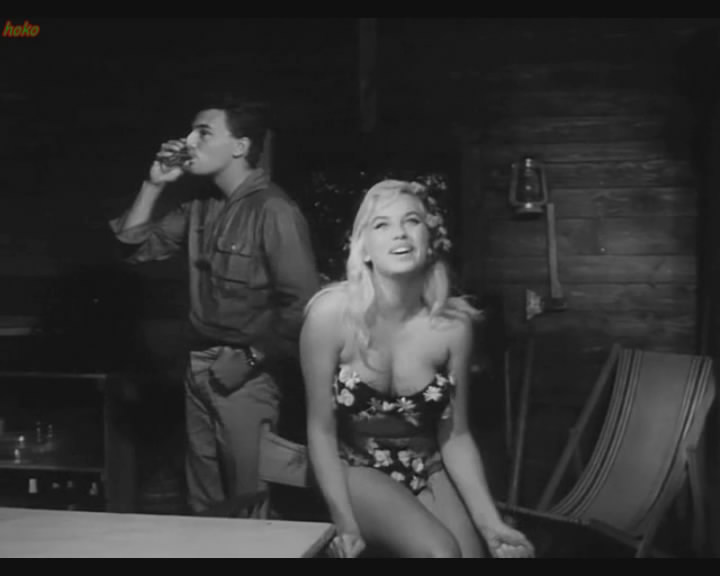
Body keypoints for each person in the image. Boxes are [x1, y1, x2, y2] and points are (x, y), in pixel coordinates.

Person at [300, 179, 534, 558]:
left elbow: (455, 435)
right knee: (440, 553)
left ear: (430, 240)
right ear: (364, 248)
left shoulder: (454, 327)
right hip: (352, 466)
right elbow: (320, 430)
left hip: (425, 464)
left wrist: (491, 524)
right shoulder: (329, 316)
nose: (400, 233)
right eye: (382, 224)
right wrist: (344, 522)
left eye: (411, 221)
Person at [109, 98, 320, 515]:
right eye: (191, 131)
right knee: (205, 505)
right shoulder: (200, 206)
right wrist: (154, 184)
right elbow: (135, 247)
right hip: (198, 366)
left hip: (246, 374)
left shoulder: (273, 210)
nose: (189, 141)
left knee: (249, 500)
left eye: (203, 133)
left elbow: (303, 304)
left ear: (240, 147)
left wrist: (252, 358)